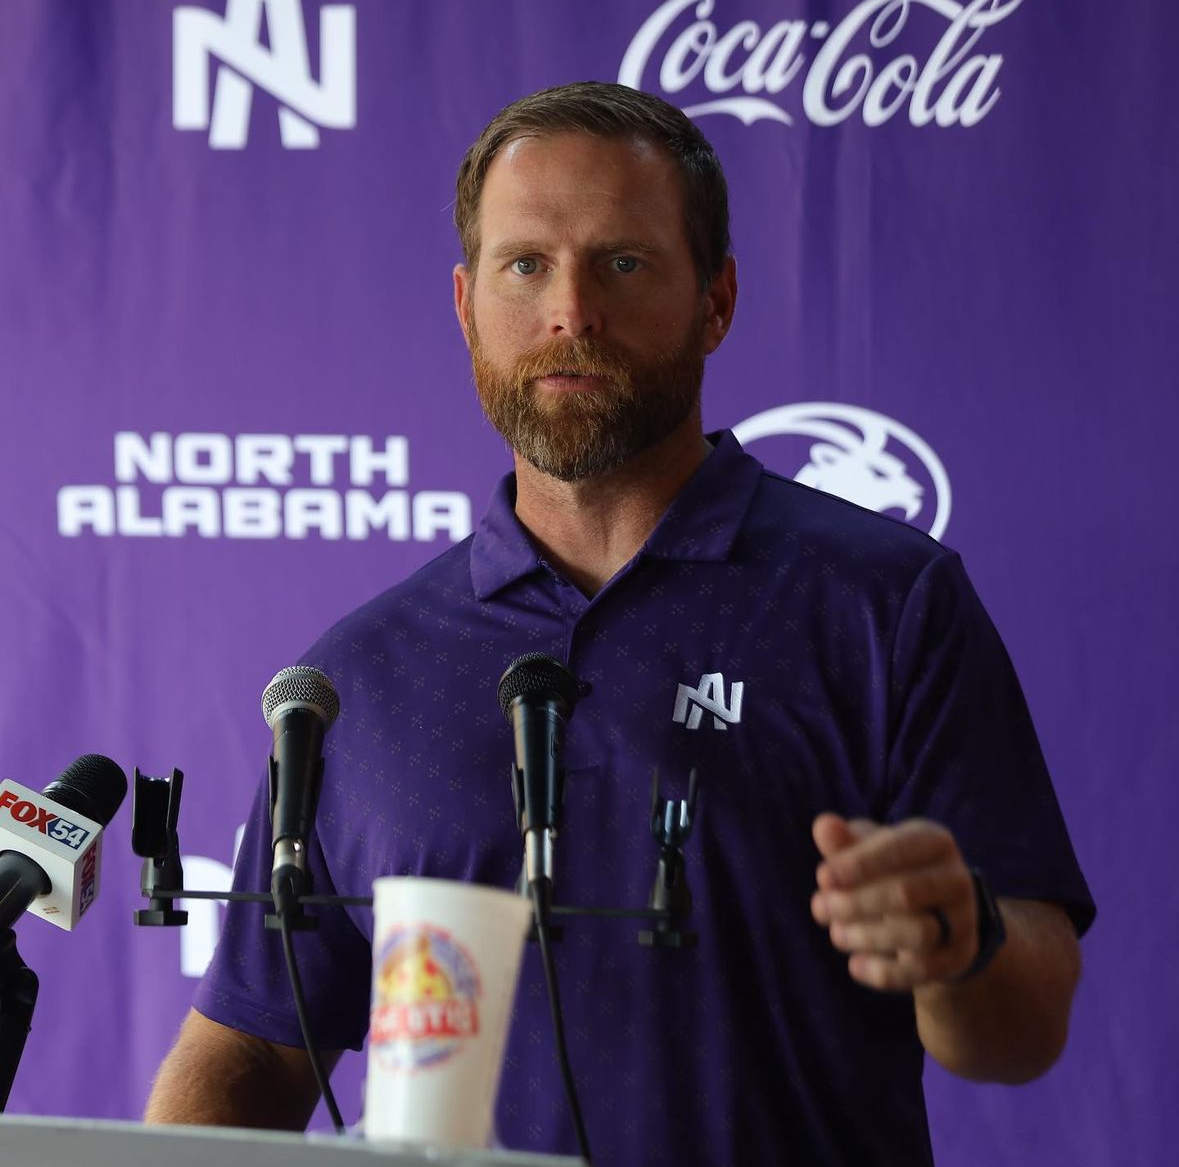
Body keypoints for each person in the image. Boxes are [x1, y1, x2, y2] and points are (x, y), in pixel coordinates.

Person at [145, 82, 1094, 1165]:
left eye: (625, 263)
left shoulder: (886, 603)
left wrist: (955, 940)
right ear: (466, 305)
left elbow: (1026, 1030)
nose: (571, 314)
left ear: (717, 300)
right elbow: (260, 1053)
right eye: (526, 266)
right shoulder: (357, 677)